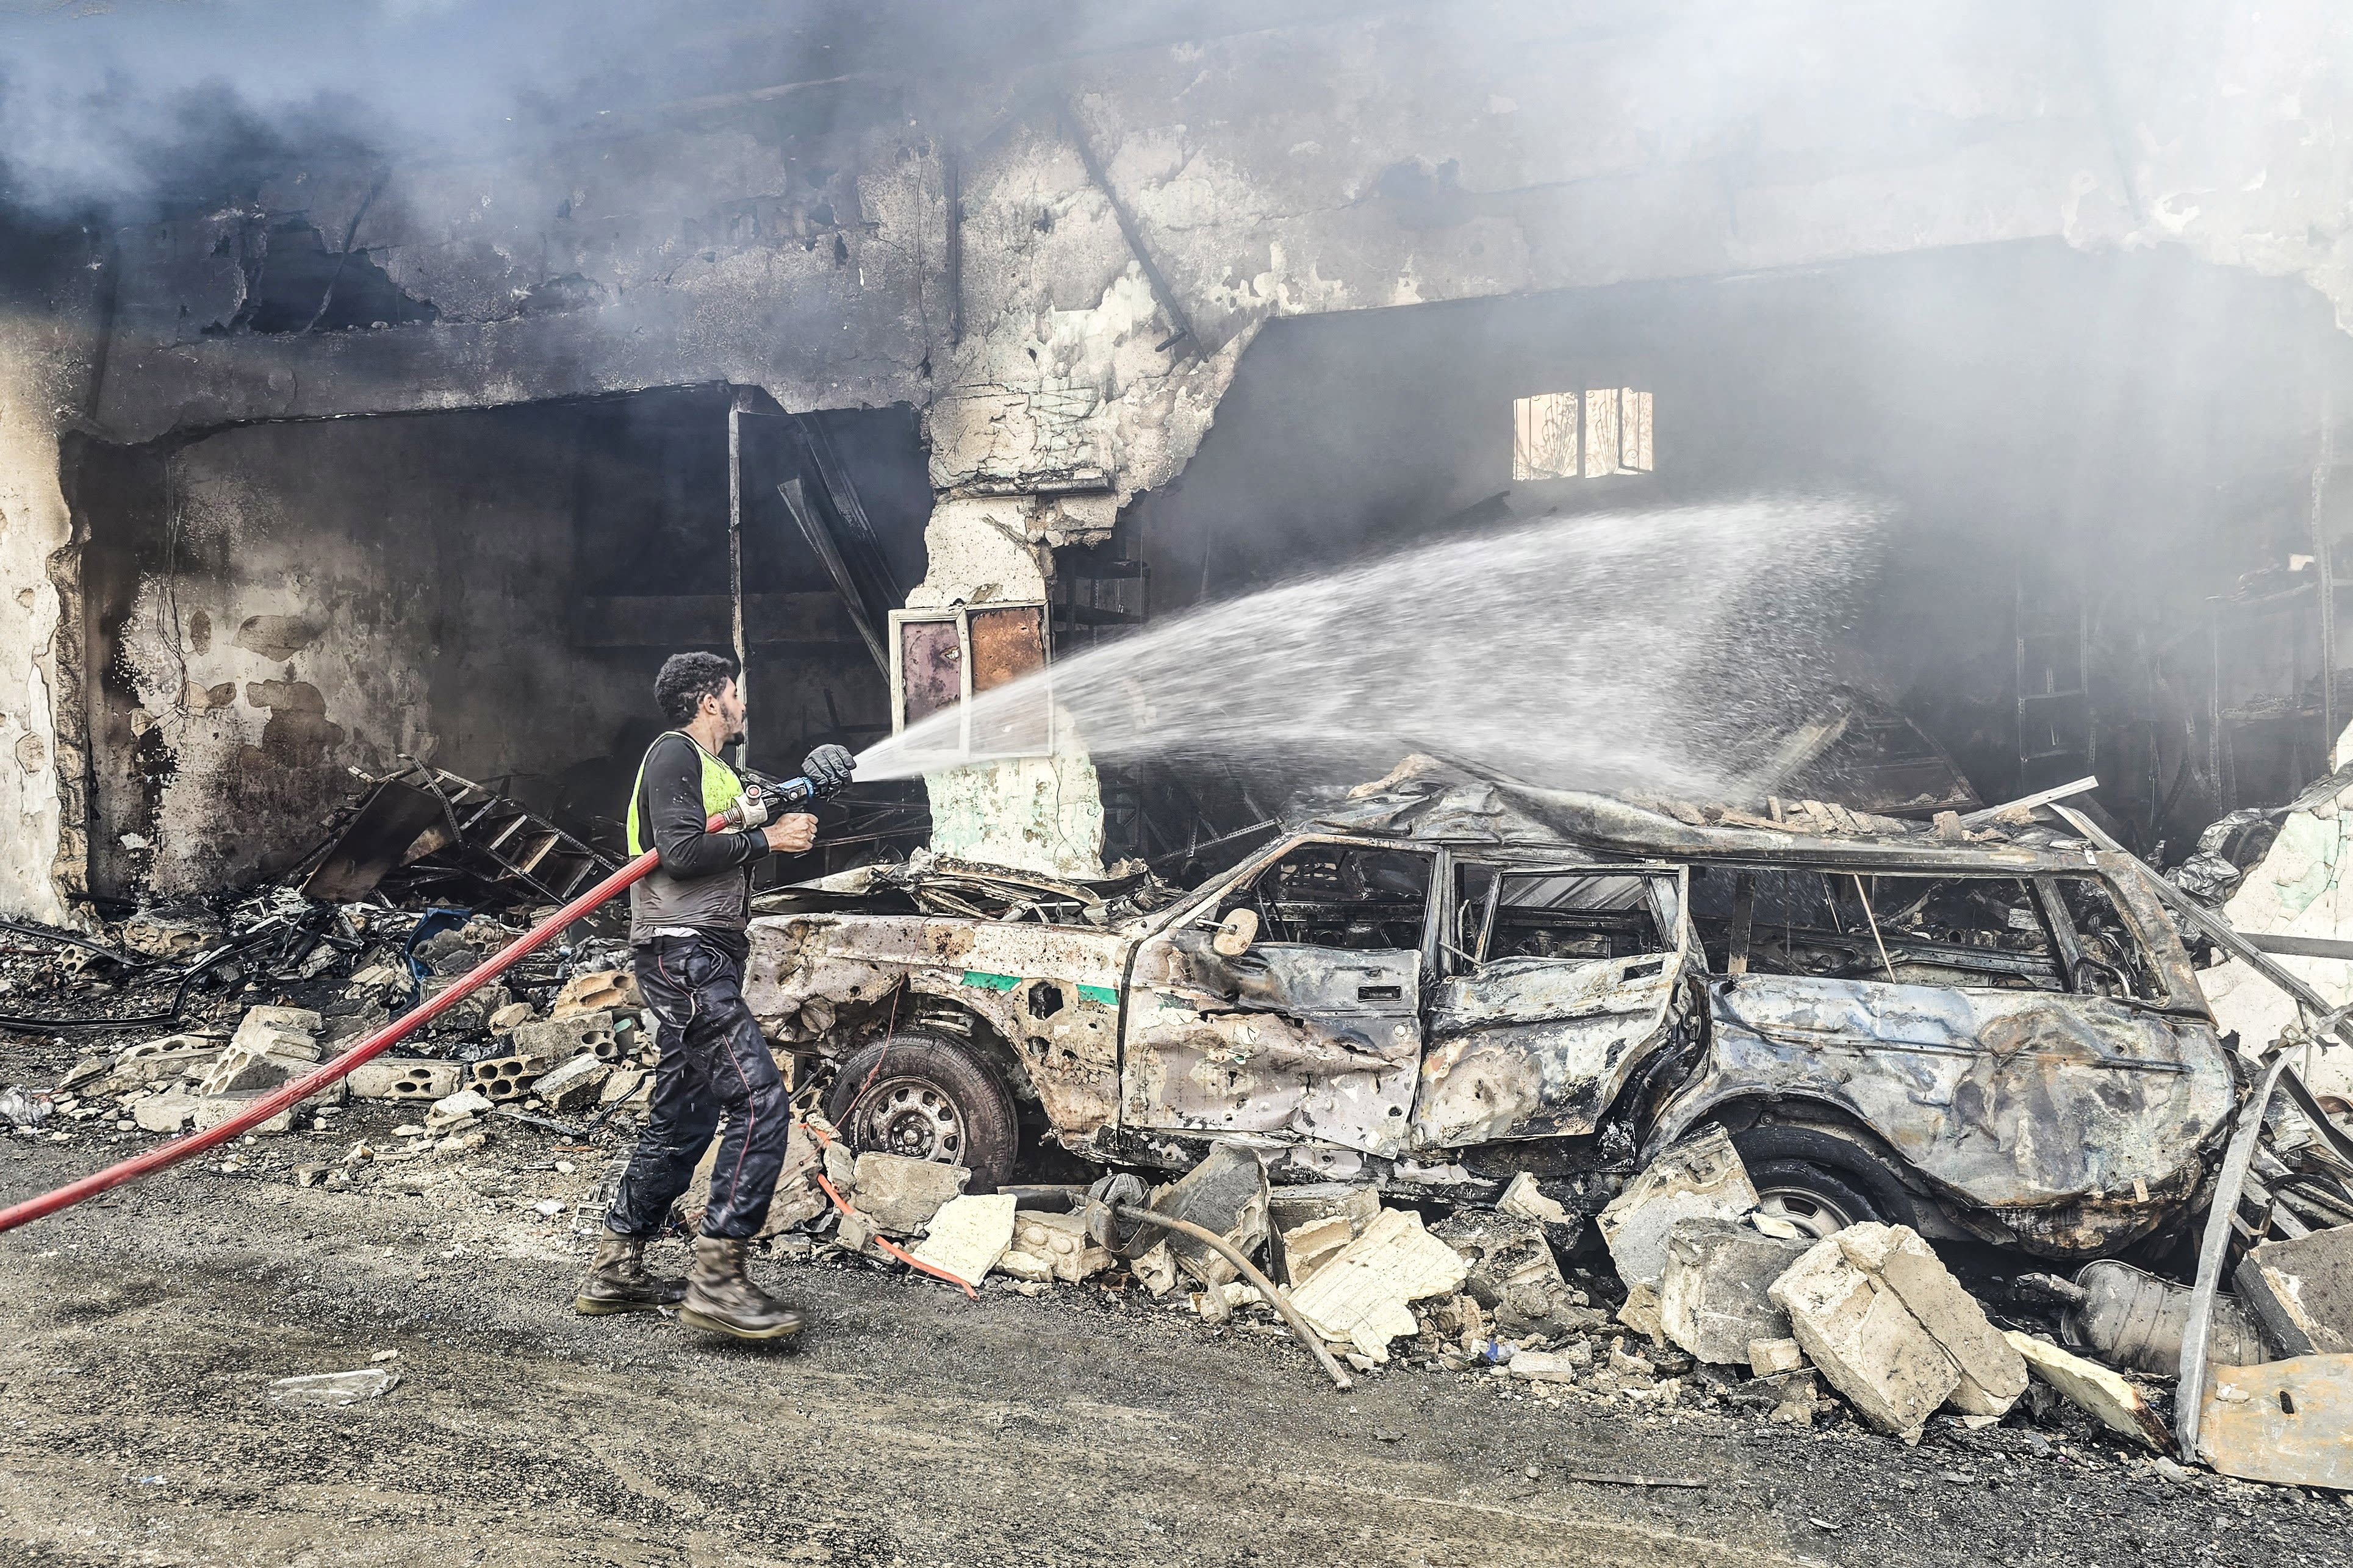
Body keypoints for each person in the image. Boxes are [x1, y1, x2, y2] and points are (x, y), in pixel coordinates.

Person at [573, 651, 855, 1339]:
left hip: (701, 955)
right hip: (683, 952)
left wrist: (816, 778)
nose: (744, 702)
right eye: (736, 691)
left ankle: (615, 1270)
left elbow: (769, 800)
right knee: (758, 1102)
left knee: (685, 1115)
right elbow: (677, 851)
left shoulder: (720, 775)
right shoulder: (673, 755)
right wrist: (769, 841)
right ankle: (718, 1282)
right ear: (708, 700)